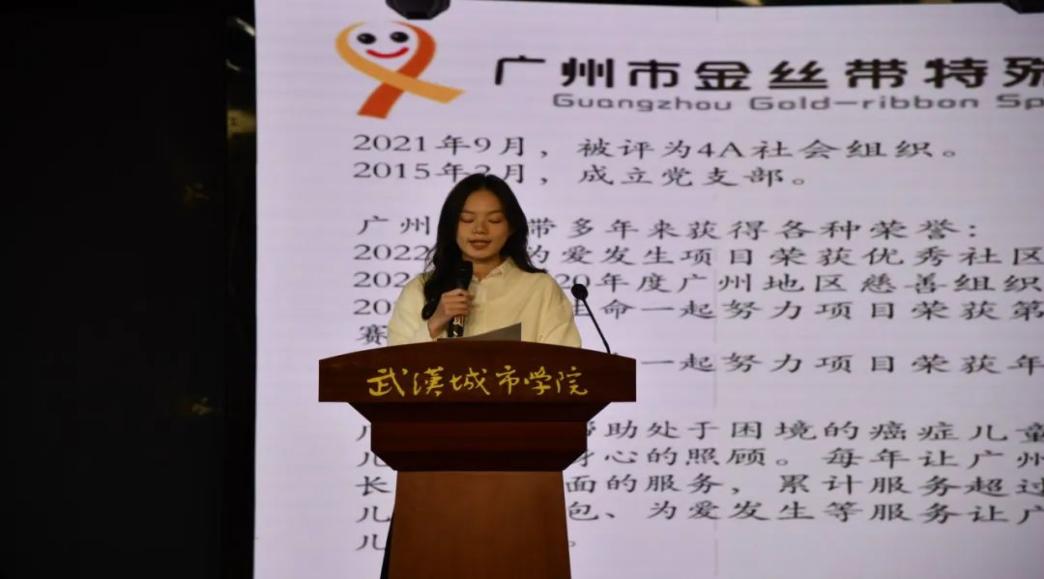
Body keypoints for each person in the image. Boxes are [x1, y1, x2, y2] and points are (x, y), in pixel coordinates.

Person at [387, 173, 581, 347]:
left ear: (512, 227)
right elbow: (392, 367)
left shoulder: (541, 289)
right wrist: (434, 324)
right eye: (467, 219)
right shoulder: (419, 289)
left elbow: (565, 365)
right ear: (451, 225)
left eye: (494, 220)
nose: (480, 229)